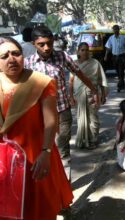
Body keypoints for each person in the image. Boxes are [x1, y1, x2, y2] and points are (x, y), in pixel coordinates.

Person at [0, 37, 73, 219]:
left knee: (39, 208)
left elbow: (51, 120)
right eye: (4, 56)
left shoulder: (41, 82)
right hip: (5, 160)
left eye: (16, 54)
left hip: (36, 155)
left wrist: (46, 152)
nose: (11, 59)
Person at [25, 26, 99, 159]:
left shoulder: (62, 56)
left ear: (53, 41)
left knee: (62, 147)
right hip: (39, 112)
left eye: (49, 43)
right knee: (45, 149)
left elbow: (79, 74)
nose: (47, 47)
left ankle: (65, 177)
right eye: (41, 45)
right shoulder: (27, 63)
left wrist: (94, 91)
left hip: (62, 110)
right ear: (33, 44)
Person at [69, 42, 108, 149]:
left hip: (93, 94)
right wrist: (71, 97)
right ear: (78, 52)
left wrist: (103, 95)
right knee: (81, 118)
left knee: (93, 119)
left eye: (87, 50)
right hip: (79, 95)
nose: (85, 52)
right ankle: (84, 140)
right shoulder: (74, 64)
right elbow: (71, 81)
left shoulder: (95, 63)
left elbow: (101, 80)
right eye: (82, 50)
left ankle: (93, 140)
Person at [104, 25, 125, 92]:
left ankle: (119, 86)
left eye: (117, 29)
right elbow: (107, 47)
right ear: (113, 30)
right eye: (114, 29)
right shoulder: (111, 38)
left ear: (119, 30)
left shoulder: (123, 38)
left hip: (122, 57)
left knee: (121, 71)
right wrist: (106, 55)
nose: (115, 31)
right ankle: (122, 85)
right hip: (114, 57)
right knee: (118, 72)